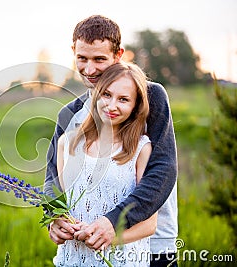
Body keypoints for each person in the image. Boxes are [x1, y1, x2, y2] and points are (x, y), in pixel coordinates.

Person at [44, 15, 178, 266]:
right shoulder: (69, 114)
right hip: (84, 249)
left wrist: (114, 221)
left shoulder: (150, 96)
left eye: (100, 59)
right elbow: (52, 176)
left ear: (118, 56)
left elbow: (163, 169)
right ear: (73, 52)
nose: (90, 69)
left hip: (151, 245)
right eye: (82, 58)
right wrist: (54, 215)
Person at [54, 61, 157, 266]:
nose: (111, 106)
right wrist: (57, 225)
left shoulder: (141, 149)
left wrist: (108, 238)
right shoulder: (67, 143)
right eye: (107, 95)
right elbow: (63, 207)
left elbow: (149, 225)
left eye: (123, 99)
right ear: (96, 95)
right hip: (72, 260)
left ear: (135, 106)